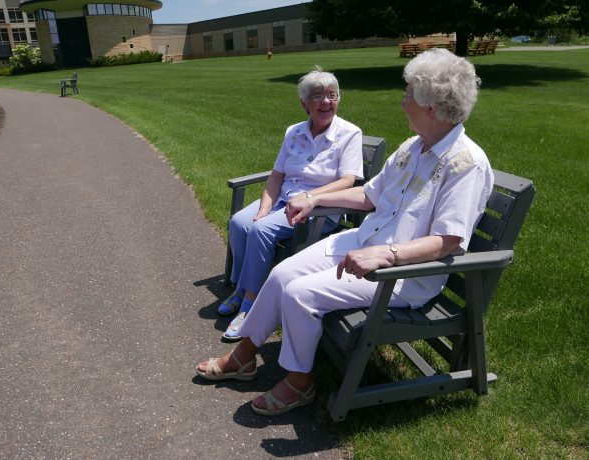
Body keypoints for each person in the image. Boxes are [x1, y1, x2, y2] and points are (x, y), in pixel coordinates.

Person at [196, 48, 494, 416]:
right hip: (363, 243)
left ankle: (299, 383)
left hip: (401, 274)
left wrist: (388, 254)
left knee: (301, 293)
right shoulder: (413, 147)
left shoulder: (466, 164)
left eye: (407, 96)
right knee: (282, 273)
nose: (402, 103)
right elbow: (368, 196)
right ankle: (243, 356)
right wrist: (312, 200)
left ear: (430, 107)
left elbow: (449, 241)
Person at [219, 67, 364, 342]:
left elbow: (348, 181)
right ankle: (241, 288)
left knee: (261, 231)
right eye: (318, 96)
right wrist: (263, 209)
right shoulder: (294, 132)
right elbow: (276, 176)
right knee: (240, 223)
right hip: (283, 200)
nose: (326, 102)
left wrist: (311, 197)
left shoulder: (350, 133)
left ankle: (249, 307)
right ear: (304, 104)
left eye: (332, 96)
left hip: (318, 209)